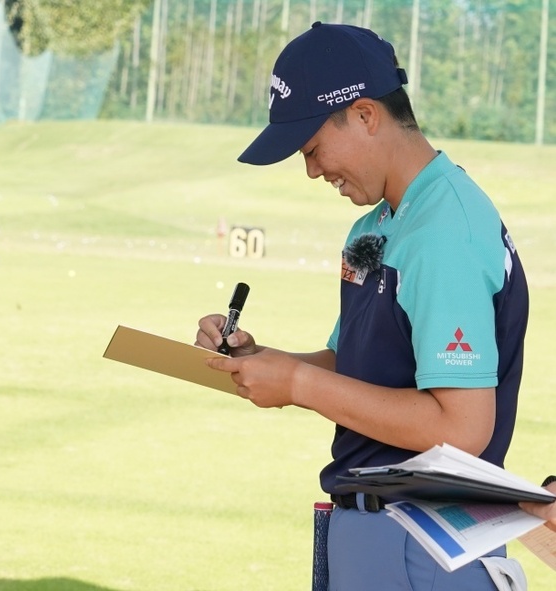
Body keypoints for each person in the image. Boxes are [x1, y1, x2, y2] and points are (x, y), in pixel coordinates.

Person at [196, 22, 530, 590]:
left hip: (421, 542)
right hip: (382, 535)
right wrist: (262, 359)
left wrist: (298, 385)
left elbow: (464, 428)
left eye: (313, 147)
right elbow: (351, 364)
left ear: (366, 115)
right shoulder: (380, 224)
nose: (311, 169)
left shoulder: (442, 229)